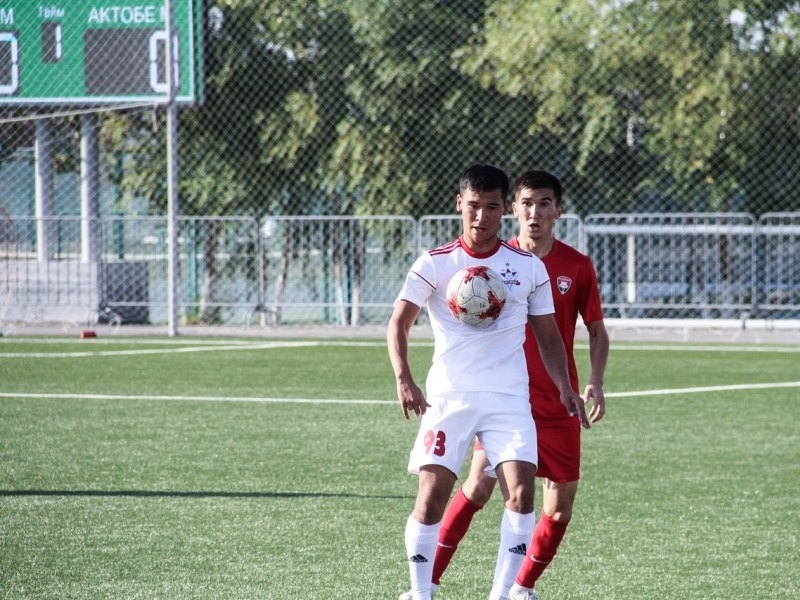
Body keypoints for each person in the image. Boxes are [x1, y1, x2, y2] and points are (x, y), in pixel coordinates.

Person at [399, 169, 609, 600]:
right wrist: (404, 377)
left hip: (529, 401)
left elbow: (560, 334)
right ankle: (423, 588)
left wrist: (577, 383)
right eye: (474, 206)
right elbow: (398, 322)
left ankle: (512, 591)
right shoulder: (444, 262)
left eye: (490, 207)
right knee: (450, 491)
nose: (481, 217)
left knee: (539, 499)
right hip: (468, 396)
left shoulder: (545, 267)